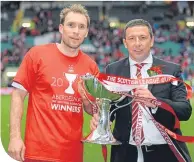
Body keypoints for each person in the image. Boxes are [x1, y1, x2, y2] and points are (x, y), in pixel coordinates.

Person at [90, 19, 192, 162]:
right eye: (132, 38)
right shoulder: (113, 70)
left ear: (152, 41)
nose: (137, 43)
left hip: (163, 153)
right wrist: (101, 118)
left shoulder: (170, 70)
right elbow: (111, 108)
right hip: (125, 154)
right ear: (125, 43)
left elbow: (185, 110)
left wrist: (156, 103)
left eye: (143, 38)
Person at [8, 4, 99, 162]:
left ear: (86, 33)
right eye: (71, 25)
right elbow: (18, 95)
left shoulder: (91, 66)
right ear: (61, 28)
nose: (76, 31)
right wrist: (15, 137)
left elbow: (92, 108)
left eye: (81, 27)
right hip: (38, 152)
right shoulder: (37, 55)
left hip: (73, 154)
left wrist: (93, 109)